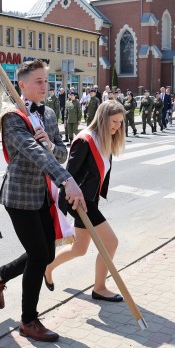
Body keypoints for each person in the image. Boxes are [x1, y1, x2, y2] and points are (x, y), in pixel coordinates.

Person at [0, 59, 86, 342]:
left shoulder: (47, 113)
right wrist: (66, 179)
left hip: (42, 195)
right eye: (39, 81)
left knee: (46, 254)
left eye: (47, 81)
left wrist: (51, 144)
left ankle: (1, 275)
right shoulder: (11, 115)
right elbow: (33, 152)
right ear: (22, 85)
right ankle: (28, 320)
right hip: (19, 196)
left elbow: (59, 151)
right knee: (38, 255)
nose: (45, 86)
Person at [45, 101, 125, 302]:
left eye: (120, 123)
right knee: (111, 242)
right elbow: (67, 175)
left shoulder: (105, 140)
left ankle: (48, 267)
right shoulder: (85, 140)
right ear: (103, 118)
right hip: (81, 203)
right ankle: (99, 288)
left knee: (79, 249)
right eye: (114, 121)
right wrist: (75, 202)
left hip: (91, 201)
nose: (117, 126)